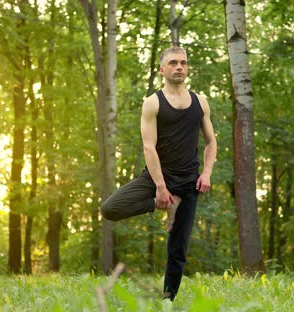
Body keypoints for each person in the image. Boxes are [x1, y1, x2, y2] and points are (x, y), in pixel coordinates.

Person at [101, 46, 217, 302]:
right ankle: (163, 204)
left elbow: (210, 142)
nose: (180, 67)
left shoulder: (201, 102)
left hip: (188, 183)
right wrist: (161, 190)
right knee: (110, 208)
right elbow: (148, 146)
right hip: (155, 178)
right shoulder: (153, 103)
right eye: (174, 63)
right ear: (162, 70)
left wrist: (206, 173)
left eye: (184, 63)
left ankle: (168, 301)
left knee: (178, 249)